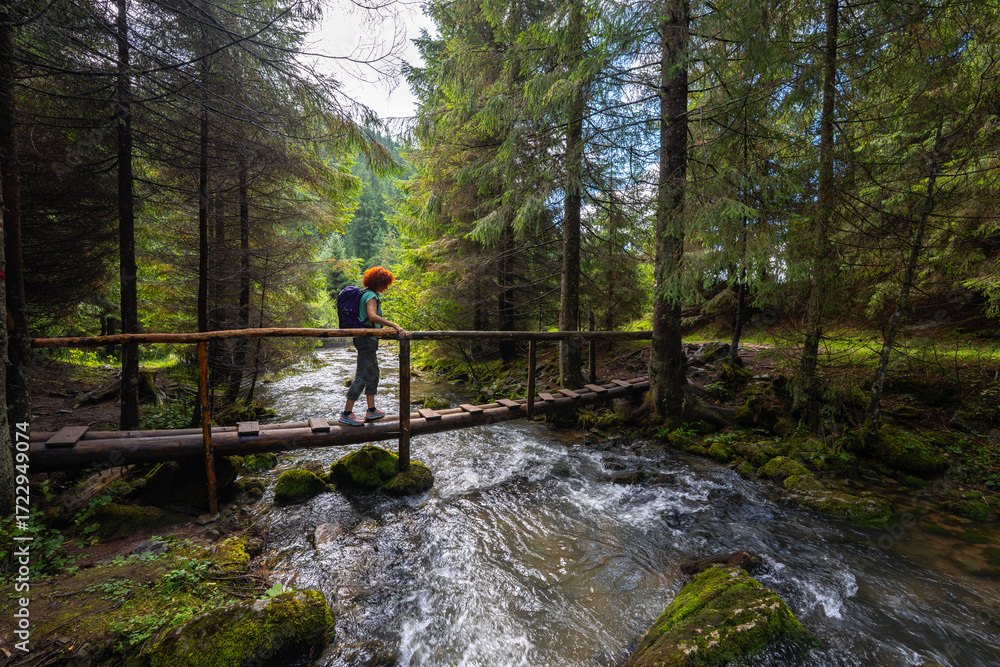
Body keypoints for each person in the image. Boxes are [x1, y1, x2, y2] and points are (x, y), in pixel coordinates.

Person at [339, 267, 408, 426]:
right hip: (366, 340)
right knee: (362, 375)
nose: (386, 287)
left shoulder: (366, 294)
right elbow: (372, 316)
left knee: (373, 373)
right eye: (385, 284)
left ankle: (371, 410)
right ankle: (346, 413)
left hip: (368, 340)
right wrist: (395, 325)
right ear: (379, 282)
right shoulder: (371, 295)